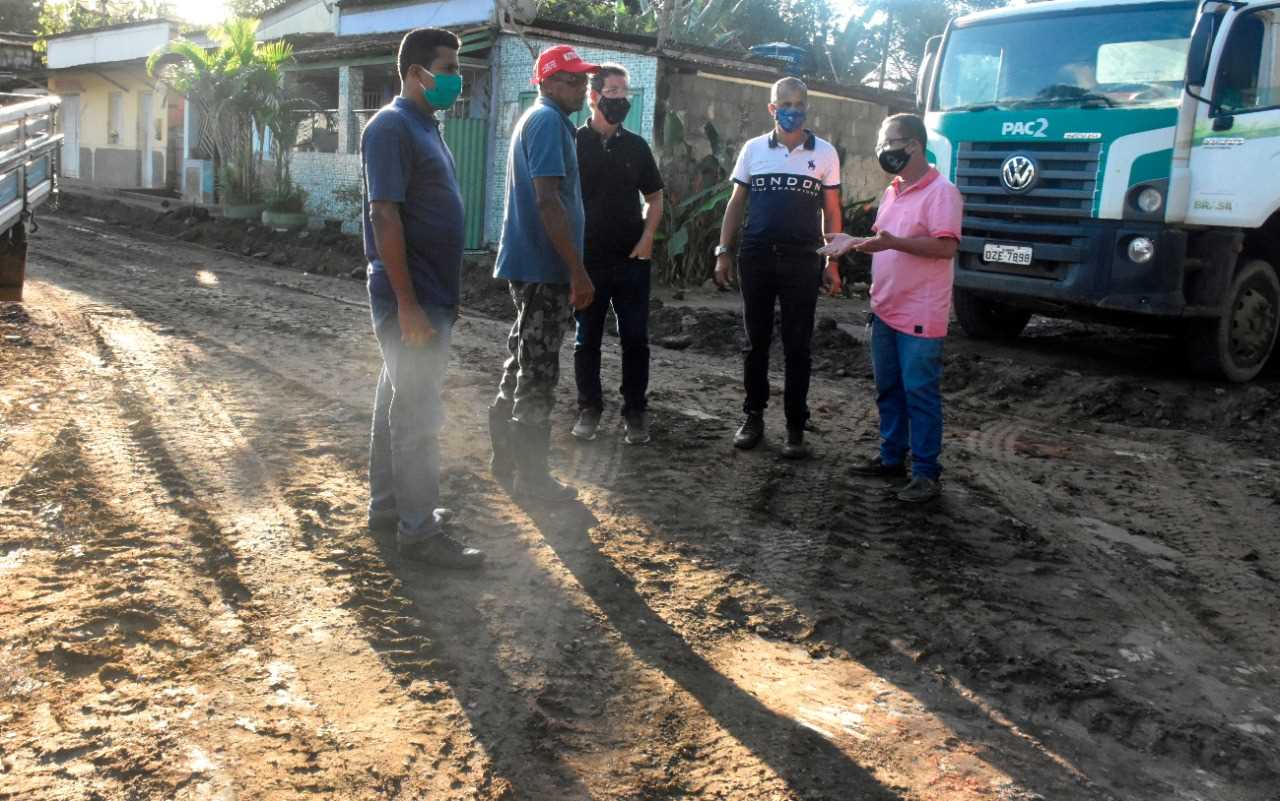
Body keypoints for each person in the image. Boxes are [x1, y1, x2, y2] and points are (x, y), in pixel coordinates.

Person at [362, 27, 484, 567]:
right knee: (418, 415)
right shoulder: (391, 127)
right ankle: (419, 532)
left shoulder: (424, 125)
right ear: (417, 73)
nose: (456, 79)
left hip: (430, 293)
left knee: (396, 402)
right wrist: (408, 304)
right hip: (412, 298)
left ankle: (390, 509)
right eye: (449, 67)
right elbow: (384, 214)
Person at [818, 113, 962, 504]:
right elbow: (886, 240)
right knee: (889, 390)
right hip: (885, 308)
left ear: (914, 144)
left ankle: (926, 473)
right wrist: (855, 242)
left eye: (890, 142)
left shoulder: (942, 193)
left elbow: (946, 247)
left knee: (920, 392)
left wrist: (893, 243)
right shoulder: (893, 190)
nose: (883, 151)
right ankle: (890, 458)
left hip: (920, 312)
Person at [488, 44, 598, 501]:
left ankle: (506, 461)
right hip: (544, 267)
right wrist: (577, 270)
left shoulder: (542, 120)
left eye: (583, 79)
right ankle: (531, 480)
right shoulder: (549, 122)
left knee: (522, 360)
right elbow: (547, 200)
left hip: (533, 264)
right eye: (572, 79)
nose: (582, 87)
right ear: (547, 81)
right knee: (538, 371)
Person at [713, 77, 843, 459]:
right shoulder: (754, 149)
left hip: (804, 258)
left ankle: (794, 426)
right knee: (756, 342)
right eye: (785, 103)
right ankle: (753, 416)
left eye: (800, 102)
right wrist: (724, 250)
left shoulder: (826, 153)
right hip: (756, 255)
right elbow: (737, 202)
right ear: (772, 109)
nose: (793, 109)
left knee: (798, 345)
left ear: (807, 107)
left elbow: (832, 211)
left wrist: (832, 261)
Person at [571, 63, 664, 445]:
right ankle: (589, 409)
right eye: (613, 92)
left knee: (636, 339)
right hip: (587, 261)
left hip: (631, 261)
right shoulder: (573, 142)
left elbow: (655, 198)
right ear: (594, 97)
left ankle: (635, 413)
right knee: (586, 339)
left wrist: (647, 239)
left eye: (624, 93)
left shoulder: (636, 147)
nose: (621, 100)